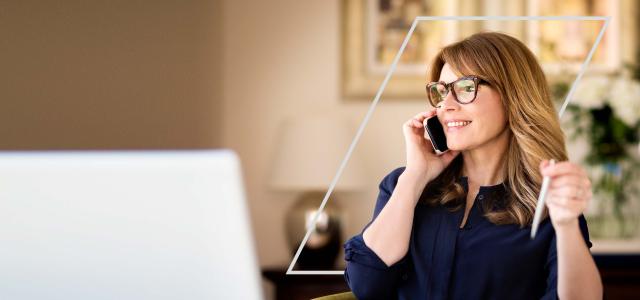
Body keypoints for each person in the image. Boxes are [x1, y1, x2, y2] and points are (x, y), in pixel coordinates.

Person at [343, 31, 603, 300]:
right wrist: (416, 176)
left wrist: (566, 224)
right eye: (442, 91)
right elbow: (366, 285)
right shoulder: (404, 186)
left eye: (466, 88)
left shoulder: (551, 204)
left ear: (513, 94)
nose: (447, 105)